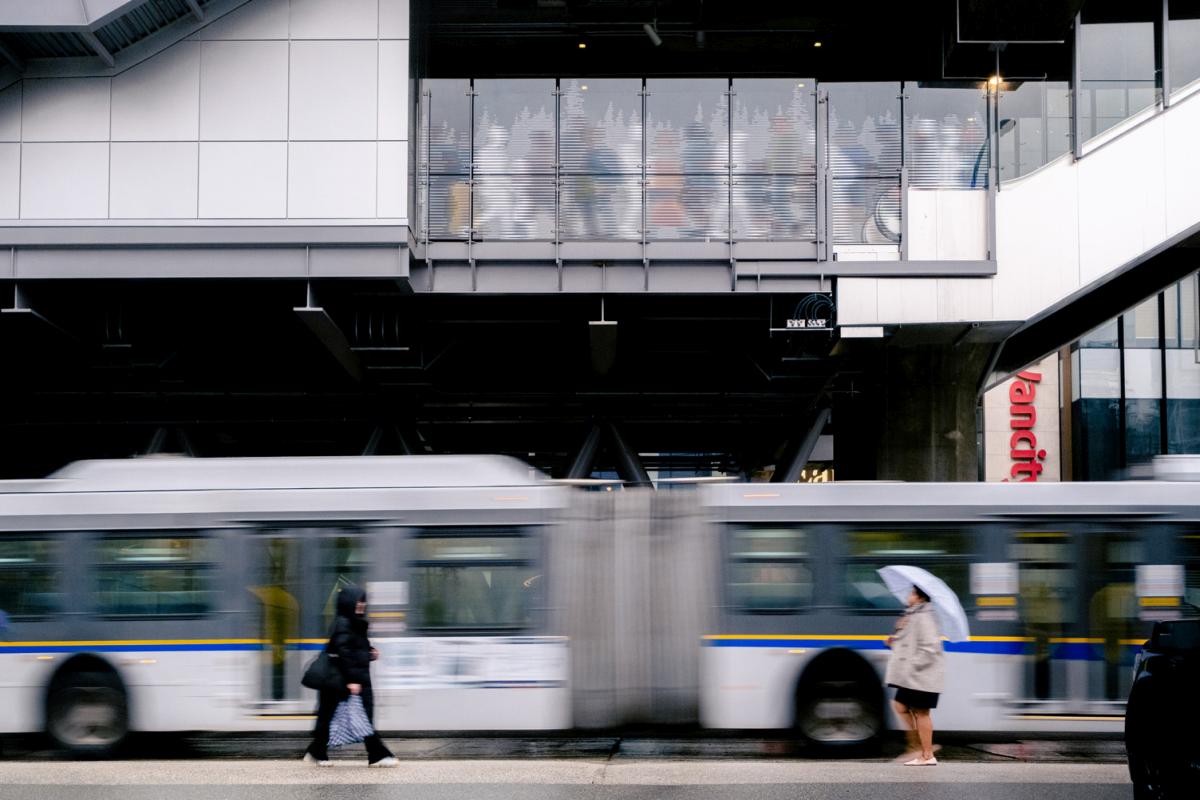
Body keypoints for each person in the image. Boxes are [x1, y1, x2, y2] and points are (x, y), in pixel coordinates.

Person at [303, 586, 398, 767]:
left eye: (363, 601)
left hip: (349, 679)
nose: (362, 604)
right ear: (349, 602)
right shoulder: (344, 623)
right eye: (358, 601)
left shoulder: (354, 621)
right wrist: (351, 680)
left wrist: (370, 652)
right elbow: (344, 652)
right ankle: (377, 755)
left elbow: (354, 648)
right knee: (357, 717)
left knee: (332, 716)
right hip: (343, 680)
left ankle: (317, 751)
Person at [885, 585, 945, 766]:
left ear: (919, 597)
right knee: (900, 705)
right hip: (914, 675)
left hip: (921, 674)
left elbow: (930, 649)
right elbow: (910, 645)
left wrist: (911, 666)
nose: (908, 595)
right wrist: (894, 639)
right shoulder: (913, 615)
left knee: (921, 713)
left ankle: (926, 755)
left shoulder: (924, 617)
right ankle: (919, 747)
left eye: (911, 592)